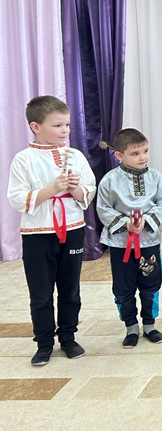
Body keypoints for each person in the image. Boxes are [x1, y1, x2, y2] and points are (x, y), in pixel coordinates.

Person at [6, 96, 97, 366]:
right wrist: (53, 189)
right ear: (35, 126)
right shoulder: (23, 159)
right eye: (57, 125)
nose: (64, 130)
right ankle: (44, 342)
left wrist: (74, 188)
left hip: (73, 230)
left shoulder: (75, 156)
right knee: (41, 292)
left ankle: (68, 337)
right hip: (37, 234)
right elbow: (16, 198)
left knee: (70, 288)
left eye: (67, 125)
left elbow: (89, 189)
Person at [97, 128, 162, 348]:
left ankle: (149, 324)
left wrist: (144, 221)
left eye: (145, 151)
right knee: (123, 286)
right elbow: (103, 208)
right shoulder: (109, 180)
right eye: (135, 153)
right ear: (119, 155)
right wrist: (125, 223)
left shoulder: (156, 177)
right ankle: (130, 327)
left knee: (150, 283)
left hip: (148, 241)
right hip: (120, 243)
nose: (143, 157)